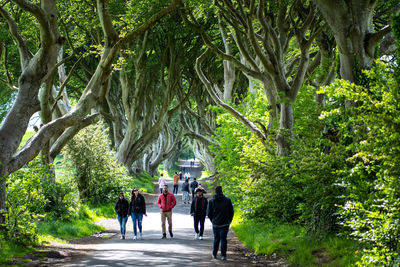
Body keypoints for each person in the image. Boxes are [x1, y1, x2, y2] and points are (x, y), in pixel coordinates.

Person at [207, 186, 234, 261]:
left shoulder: (212, 201)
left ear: (215, 192)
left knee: (216, 239)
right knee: (223, 239)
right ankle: (223, 255)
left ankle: (214, 254)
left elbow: (209, 213)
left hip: (216, 223)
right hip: (225, 223)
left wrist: (213, 220)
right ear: (222, 191)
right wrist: (229, 221)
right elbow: (231, 212)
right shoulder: (228, 200)